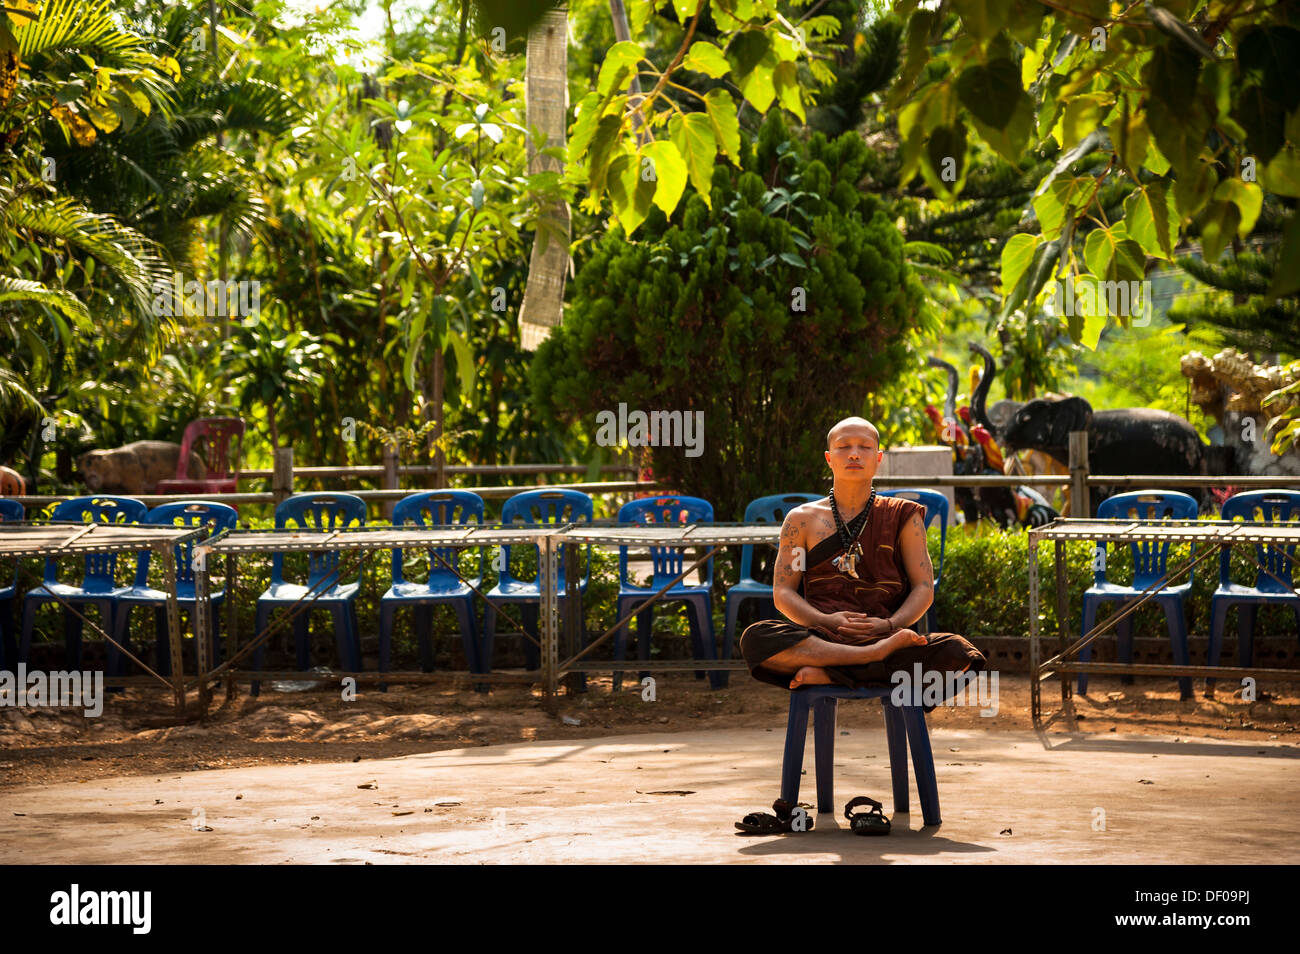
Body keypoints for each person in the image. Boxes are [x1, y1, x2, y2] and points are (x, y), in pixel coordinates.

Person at [734, 417, 986, 833]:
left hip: (888, 634)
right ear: (829, 458)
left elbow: (923, 587)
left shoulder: (902, 515)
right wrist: (824, 619)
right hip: (825, 635)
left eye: (865, 447)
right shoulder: (802, 520)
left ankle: (833, 669)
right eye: (845, 447)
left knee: (960, 652)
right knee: (757, 638)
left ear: (879, 458)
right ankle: (864, 660)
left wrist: (889, 625)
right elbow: (784, 593)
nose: (855, 454)